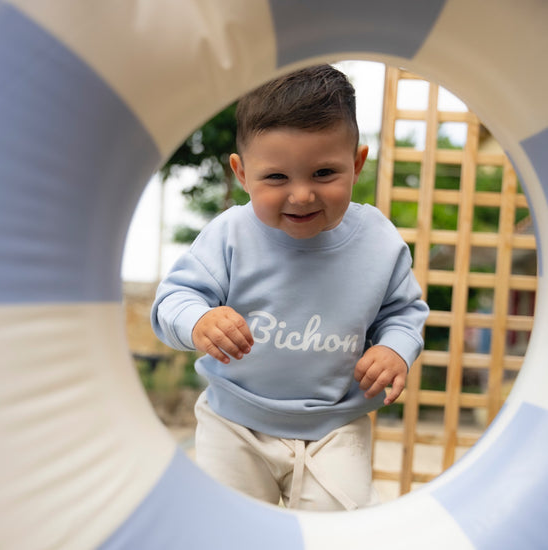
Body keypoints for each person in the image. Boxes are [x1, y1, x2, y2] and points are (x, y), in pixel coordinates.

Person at [151, 64, 429, 511]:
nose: (301, 195)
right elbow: (173, 300)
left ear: (357, 163)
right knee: (232, 530)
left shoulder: (378, 240)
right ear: (242, 174)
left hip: (336, 424)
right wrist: (199, 319)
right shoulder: (230, 235)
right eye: (277, 178)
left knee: (341, 528)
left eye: (324, 173)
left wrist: (395, 348)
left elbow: (403, 312)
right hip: (234, 421)